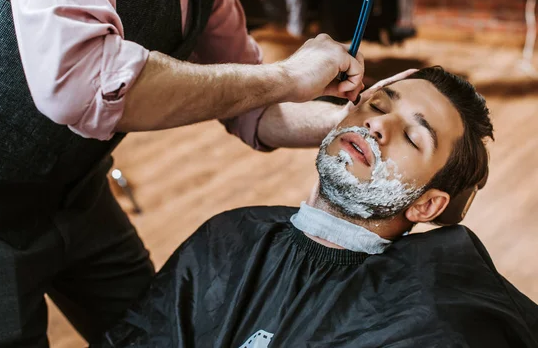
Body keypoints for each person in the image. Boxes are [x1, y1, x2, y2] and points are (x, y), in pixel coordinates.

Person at [0, 0, 366, 346]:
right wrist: (289, 77)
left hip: (78, 191)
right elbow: (83, 83)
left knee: (158, 334)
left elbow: (255, 108)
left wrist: (359, 124)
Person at [95, 67, 538, 348]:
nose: (377, 124)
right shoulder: (227, 238)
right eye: (376, 105)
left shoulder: (427, 323)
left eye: (412, 137)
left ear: (427, 205)